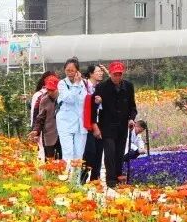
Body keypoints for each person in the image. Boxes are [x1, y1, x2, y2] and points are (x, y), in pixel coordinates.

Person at [94, 61, 138, 189]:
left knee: (119, 153)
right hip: (107, 125)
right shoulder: (101, 87)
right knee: (110, 153)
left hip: (122, 126)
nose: (117, 77)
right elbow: (95, 108)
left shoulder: (128, 86)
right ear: (110, 73)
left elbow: (132, 107)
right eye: (115, 74)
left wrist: (131, 119)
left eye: (120, 74)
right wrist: (98, 102)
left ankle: (119, 177)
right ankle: (110, 180)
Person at [56, 57, 88, 176]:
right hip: (65, 123)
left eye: (72, 70)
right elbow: (69, 99)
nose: (70, 73)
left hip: (80, 123)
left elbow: (85, 100)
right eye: (67, 70)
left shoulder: (84, 83)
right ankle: (68, 179)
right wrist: (75, 85)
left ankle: (76, 181)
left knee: (79, 154)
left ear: (77, 71)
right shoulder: (62, 83)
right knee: (68, 153)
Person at [82, 64, 107, 183]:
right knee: (89, 153)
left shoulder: (100, 87)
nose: (101, 73)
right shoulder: (84, 86)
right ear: (91, 73)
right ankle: (82, 178)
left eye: (102, 71)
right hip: (88, 124)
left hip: (100, 123)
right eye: (98, 71)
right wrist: (94, 125)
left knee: (98, 152)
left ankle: (95, 180)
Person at [29, 75, 62, 160]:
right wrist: (36, 130)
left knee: (63, 161)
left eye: (52, 90)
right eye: (48, 89)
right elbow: (40, 118)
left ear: (58, 89)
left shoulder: (64, 98)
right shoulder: (44, 100)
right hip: (49, 135)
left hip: (63, 134)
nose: (50, 92)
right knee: (49, 161)